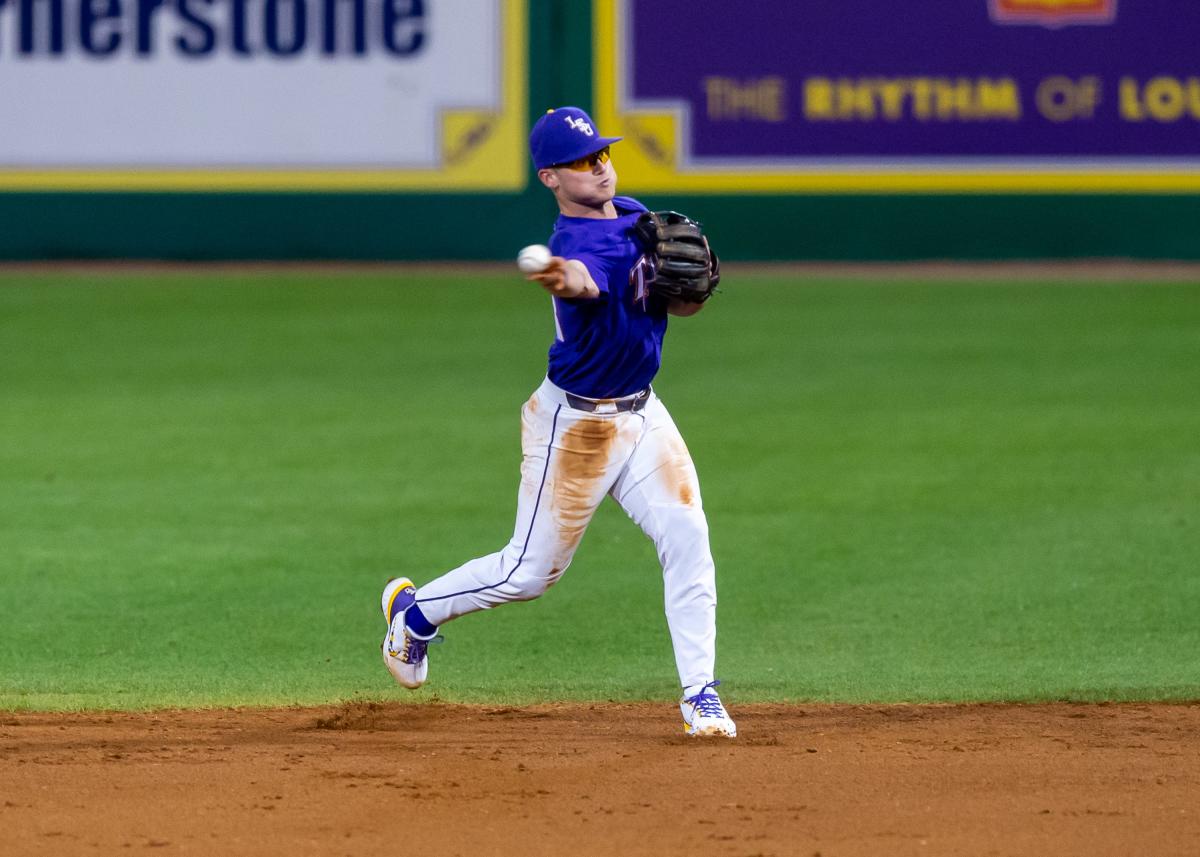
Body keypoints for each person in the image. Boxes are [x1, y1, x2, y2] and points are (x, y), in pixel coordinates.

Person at [380, 106, 735, 738]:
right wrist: (553, 275)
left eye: (601, 154)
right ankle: (415, 614)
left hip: (644, 412)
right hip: (577, 428)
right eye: (580, 161)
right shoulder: (576, 246)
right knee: (528, 574)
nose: (598, 166)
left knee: (688, 540)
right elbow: (580, 283)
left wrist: (687, 294)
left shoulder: (631, 214)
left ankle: (700, 694)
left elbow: (678, 305)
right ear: (550, 178)